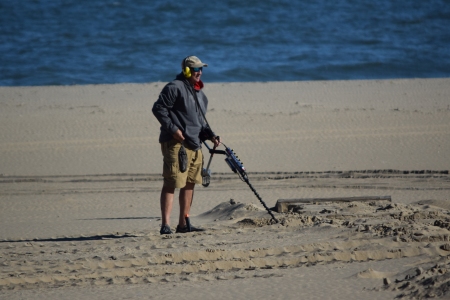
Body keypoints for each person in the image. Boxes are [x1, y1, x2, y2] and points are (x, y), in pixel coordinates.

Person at [152, 56, 220, 235]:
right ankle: (165, 225)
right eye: (196, 69)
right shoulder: (174, 87)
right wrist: (174, 130)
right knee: (172, 182)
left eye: (201, 69)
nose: (200, 72)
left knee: (190, 183)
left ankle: (183, 224)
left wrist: (211, 136)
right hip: (176, 144)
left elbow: (200, 122)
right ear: (187, 71)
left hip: (195, 144)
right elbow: (158, 109)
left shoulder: (200, 94)